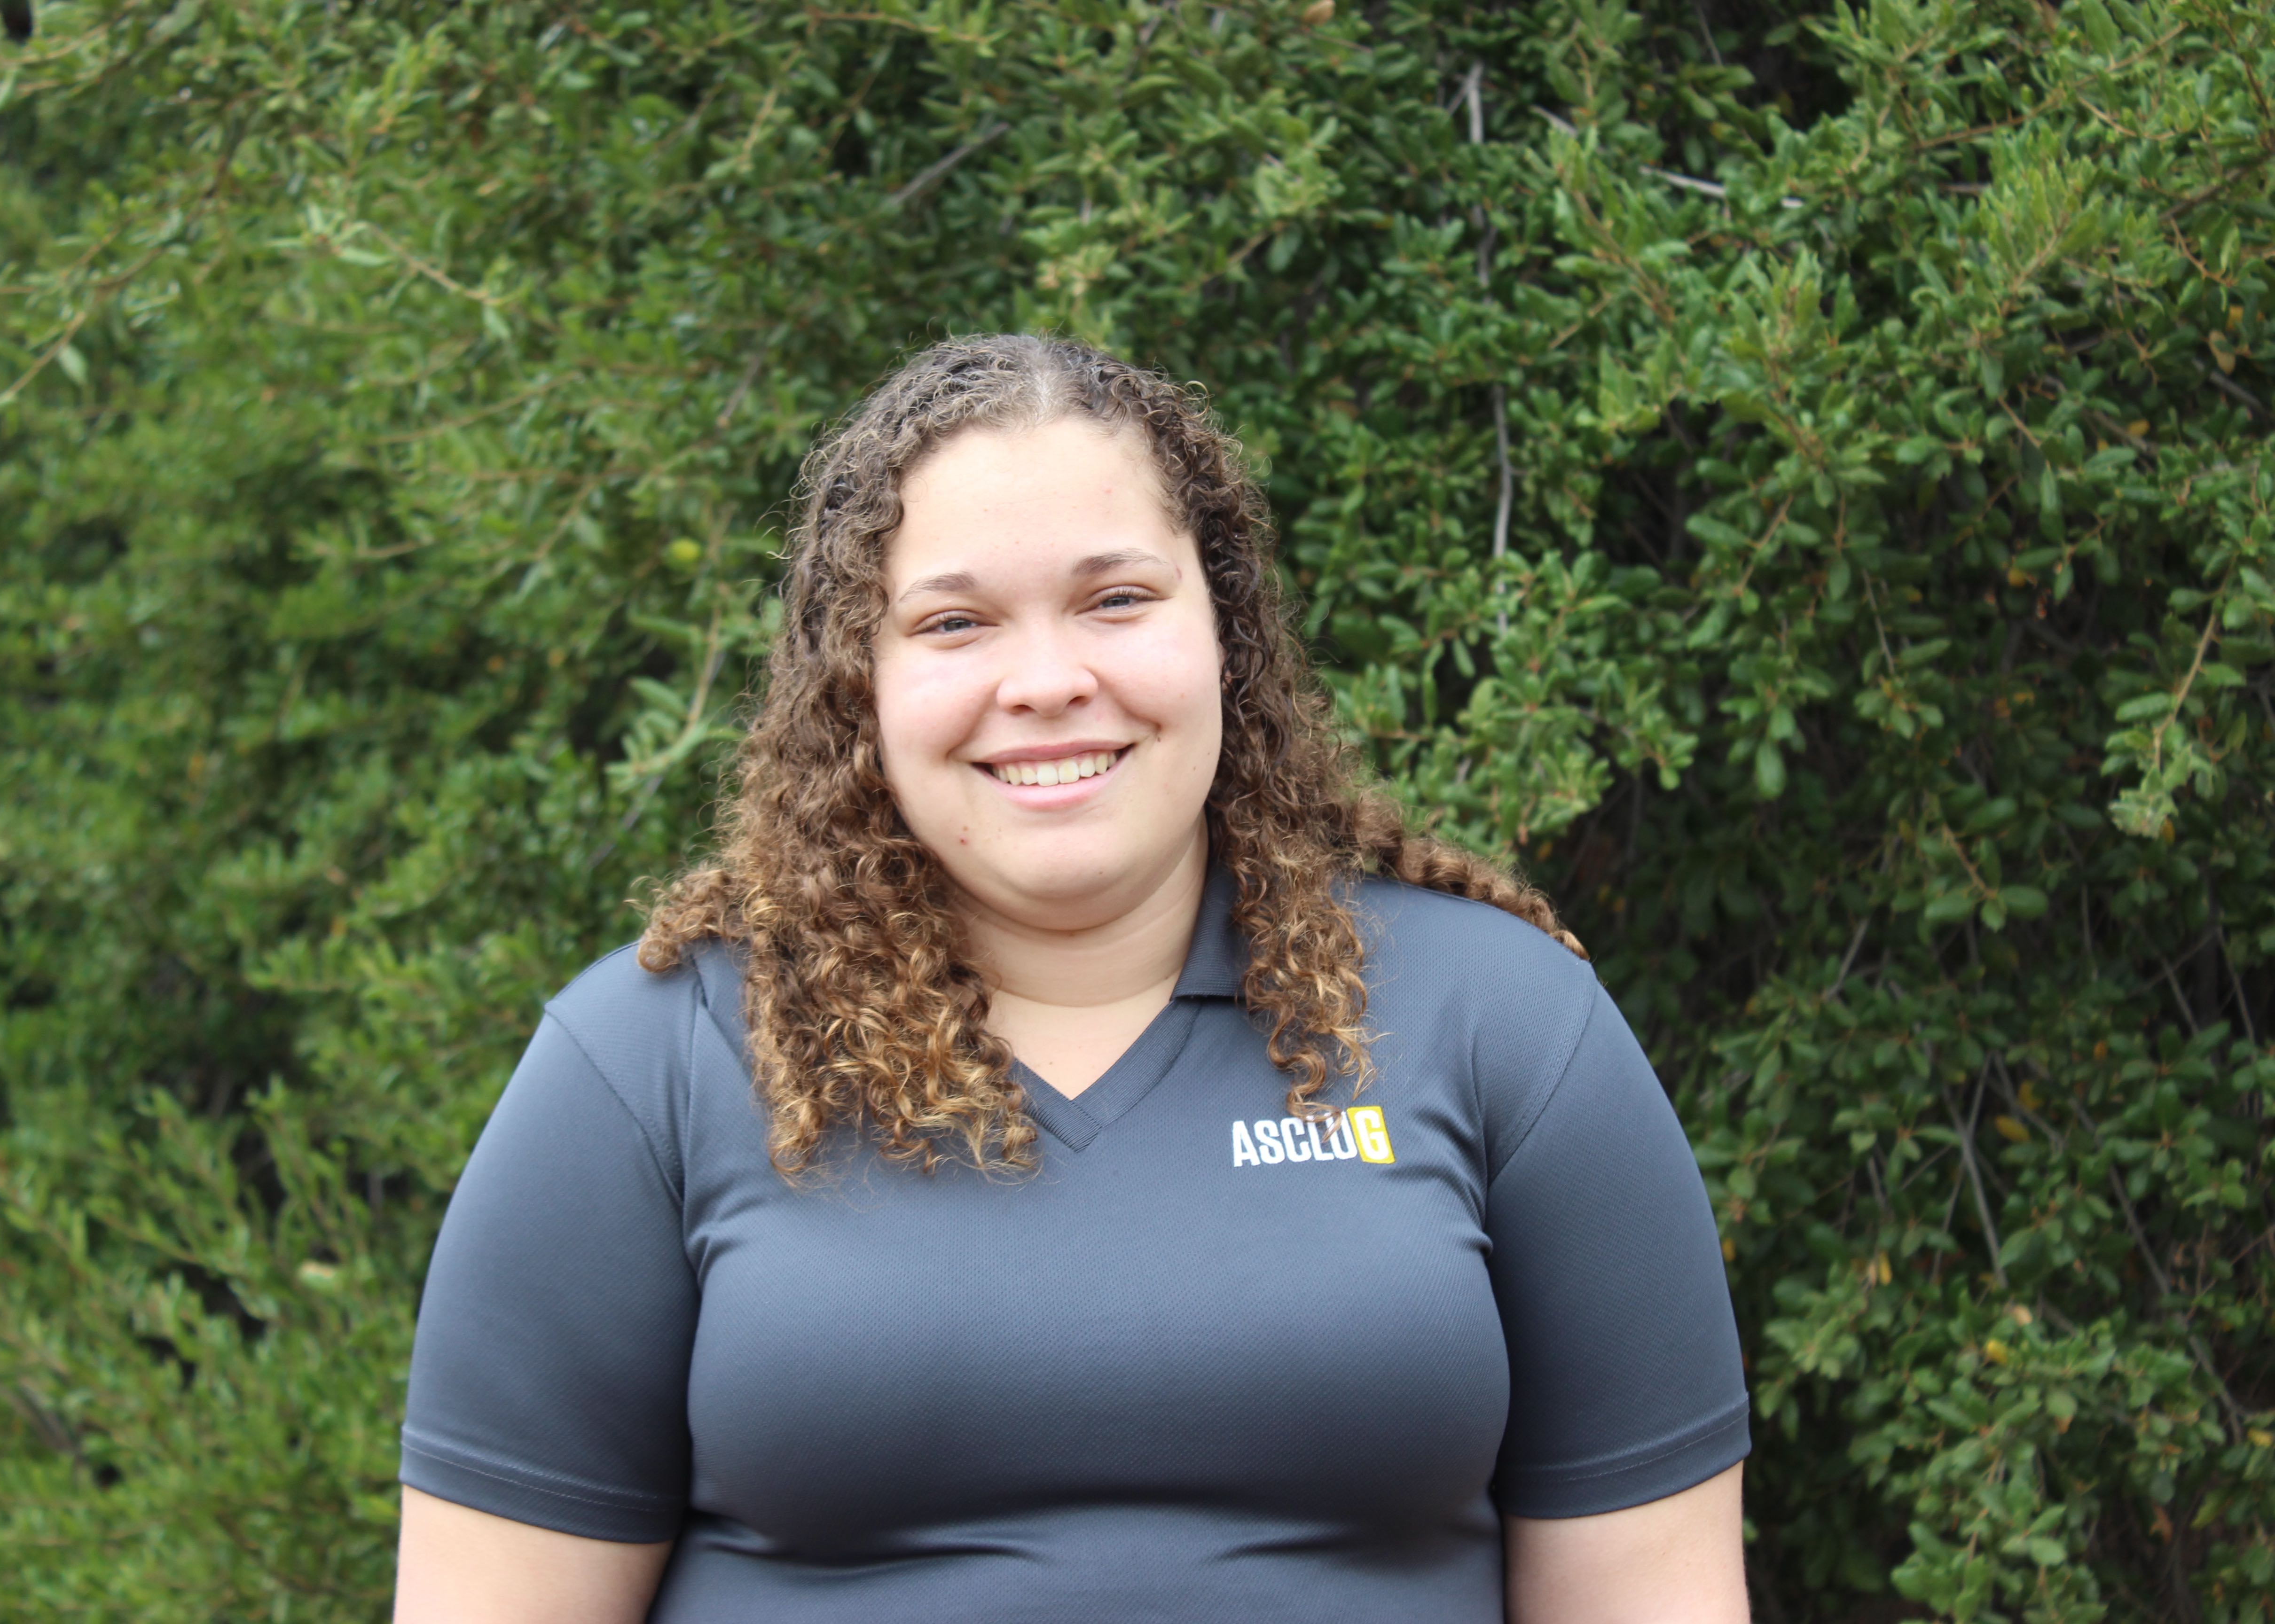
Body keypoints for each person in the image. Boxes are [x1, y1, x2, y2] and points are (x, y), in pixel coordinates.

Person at [392, 335, 1751, 1623]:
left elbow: (1653, 1595)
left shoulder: (1503, 1023)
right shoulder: (652, 1060)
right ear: (858, 681)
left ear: (1225, 631)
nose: (1046, 681)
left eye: (1116, 600)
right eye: (955, 622)